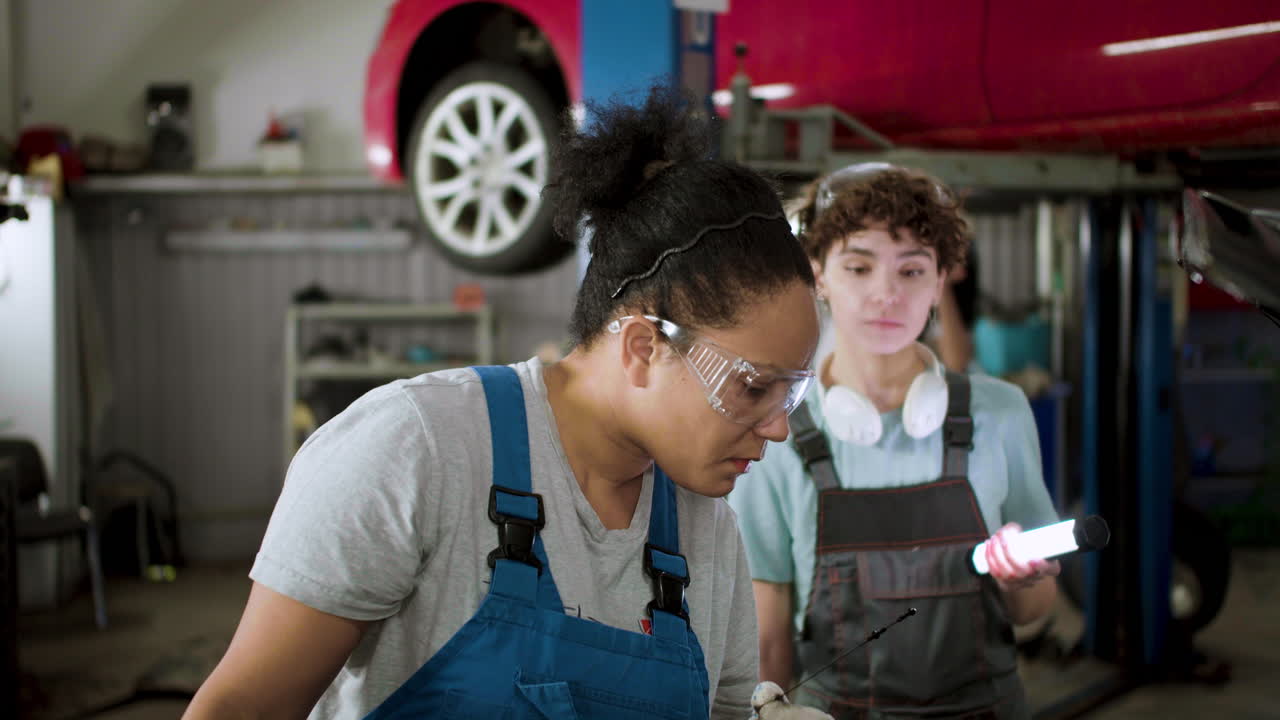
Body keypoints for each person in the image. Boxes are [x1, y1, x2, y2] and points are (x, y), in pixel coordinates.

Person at [182, 86, 821, 720]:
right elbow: (240, 707)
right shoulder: (417, 450)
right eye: (752, 385)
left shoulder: (707, 534)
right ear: (641, 347)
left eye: (792, 391)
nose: (778, 428)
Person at [728, 163, 1059, 719]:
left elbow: (1034, 611)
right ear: (819, 275)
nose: (886, 294)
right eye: (859, 266)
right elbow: (769, 637)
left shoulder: (1000, 414)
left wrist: (1024, 579)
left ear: (940, 281)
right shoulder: (776, 432)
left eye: (911, 271)